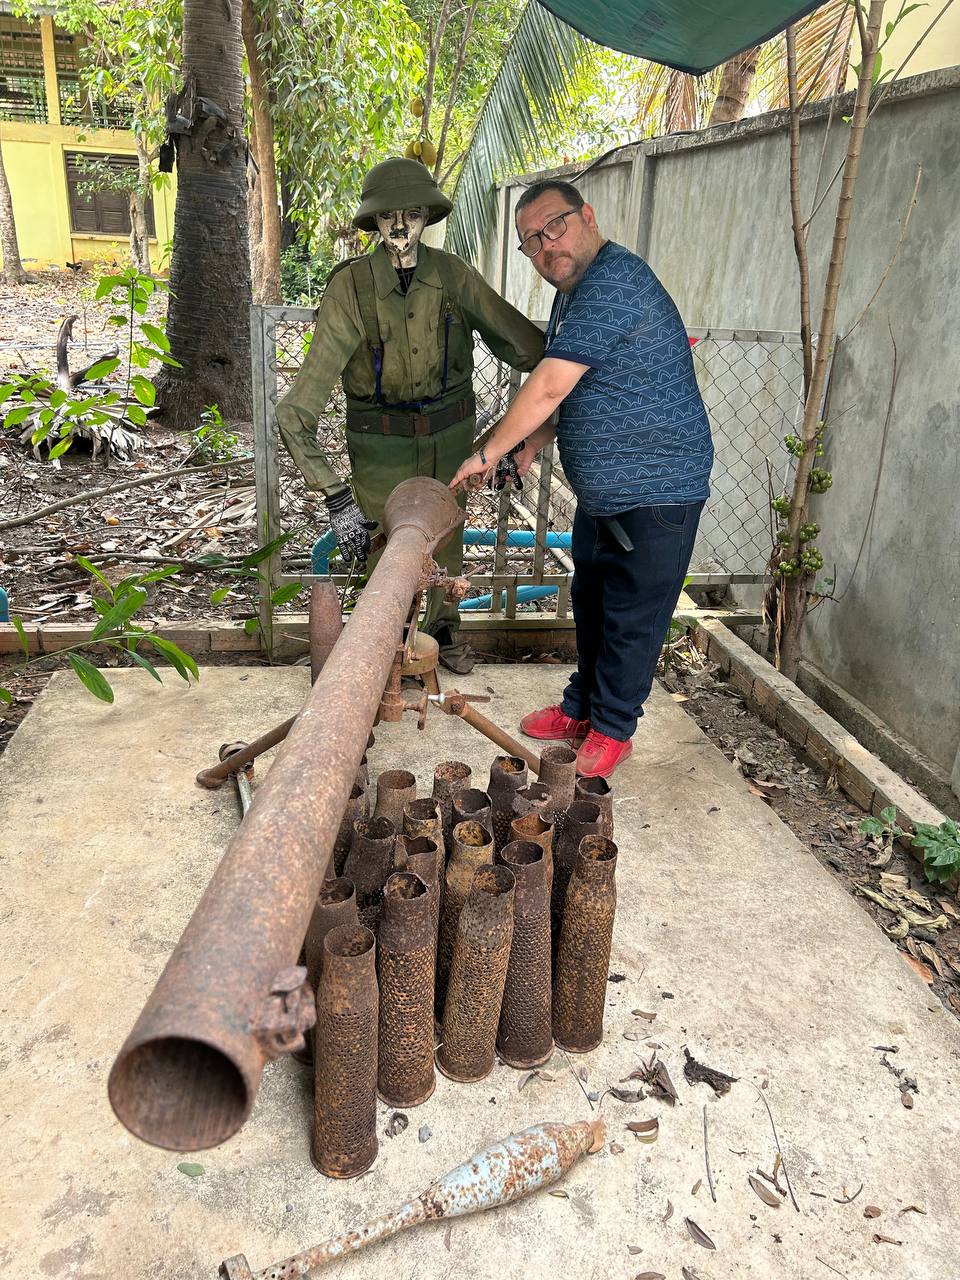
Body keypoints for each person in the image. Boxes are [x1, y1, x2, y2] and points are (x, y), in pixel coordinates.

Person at [450, 180, 713, 776]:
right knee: (590, 601)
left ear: (587, 217)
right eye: (531, 242)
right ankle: (580, 709)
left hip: (657, 492)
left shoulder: (615, 282)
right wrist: (531, 445)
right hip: (606, 493)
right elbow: (582, 388)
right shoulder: (575, 293)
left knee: (631, 616)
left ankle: (613, 727)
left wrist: (489, 451)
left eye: (555, 227)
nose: (547, 246)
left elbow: (548, 385)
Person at [275, 158, 544, 673]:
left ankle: (445, 629)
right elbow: (294, 413)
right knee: (387, 550)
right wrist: (336, 499)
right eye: (387, 216)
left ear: (427, 217)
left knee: (446, 543)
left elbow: (529, 350)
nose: (400, 227)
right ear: (372, 223)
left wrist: (523, 433)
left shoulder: (451, 277)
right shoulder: (350, 289)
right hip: (380, 447)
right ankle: (384, 645)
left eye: (413, 214)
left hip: (452, 438)